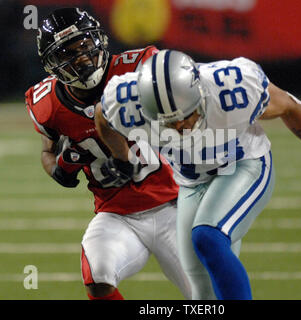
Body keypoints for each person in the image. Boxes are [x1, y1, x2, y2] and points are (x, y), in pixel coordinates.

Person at [95, 49, 301, 300]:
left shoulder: (231, 89)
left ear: (200, 94)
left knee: (207, 237)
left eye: (185, 116)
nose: (179, 127)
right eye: (168, 122)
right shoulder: (124, 101)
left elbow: (291, 106)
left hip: (245, 165)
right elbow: (103, 118)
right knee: (200, 289)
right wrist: (122, 159)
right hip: (192, 183)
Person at [25, 10, 191, 300]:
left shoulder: (140, 69)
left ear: (99, 40)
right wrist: (58, 170)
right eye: (68, 53)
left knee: (208, 295)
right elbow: (47, 152)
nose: (82, 58)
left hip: (174, 205)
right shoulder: (47, 104)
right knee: (98, 277)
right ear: (52, 64)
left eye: (84, 45)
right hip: (116, 213)